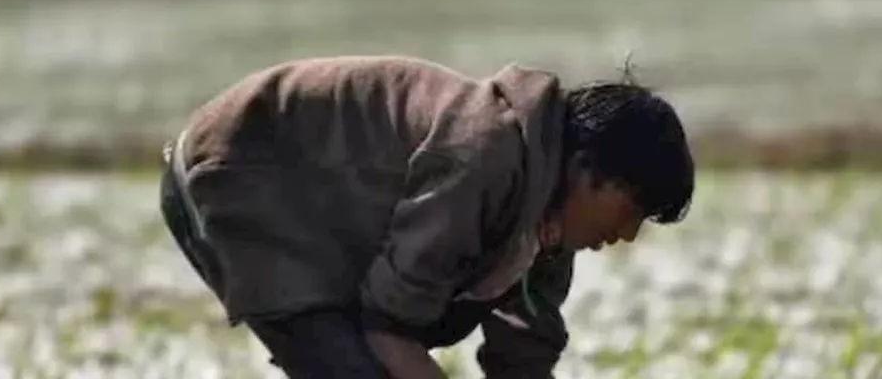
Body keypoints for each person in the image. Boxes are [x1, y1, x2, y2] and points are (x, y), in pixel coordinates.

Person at [158, 54, 694, 378]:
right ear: (587, 167)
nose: (626, 234)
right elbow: (390, 326)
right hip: (248, 171)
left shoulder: (548, 220)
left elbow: (523, 354)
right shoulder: (484, 156)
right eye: (632, 210)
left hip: (315, 212)